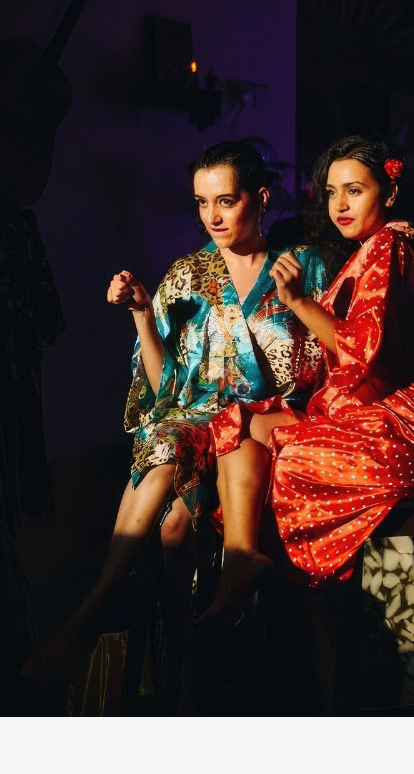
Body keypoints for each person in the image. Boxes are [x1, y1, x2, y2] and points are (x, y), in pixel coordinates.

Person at [19, 141, 331, 678]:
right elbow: (166, 395)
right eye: (201, 202)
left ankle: (184, 662)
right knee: (166, 462)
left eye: (225, 201)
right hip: (201, 428)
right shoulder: (185, 276)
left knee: (177, 525)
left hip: (278, 429)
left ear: (261, 198)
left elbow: (338, 362)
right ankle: (101, 627)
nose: (211, 216)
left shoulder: (303, 266)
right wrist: (143, 314)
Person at [202, 136, 414, 616]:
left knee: (282, 461)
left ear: (389, 193)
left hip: (389, 424)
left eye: (354, 191)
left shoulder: (388, 247)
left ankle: (299, 614)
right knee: (238, 422)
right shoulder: (371, 249)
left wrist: (297, 302)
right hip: (358, 412)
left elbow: (363, 351)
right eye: (332, 193)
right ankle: (240, 560)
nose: (340, 205)